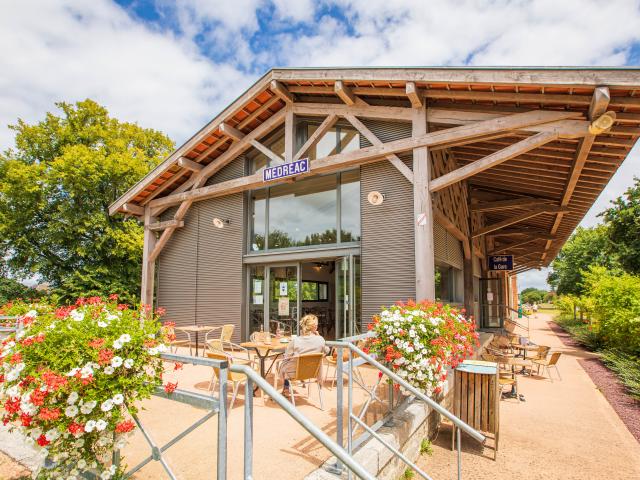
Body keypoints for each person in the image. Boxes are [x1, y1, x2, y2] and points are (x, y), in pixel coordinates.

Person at [279, 314, 328, 396]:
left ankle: (286, 388)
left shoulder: (295, 341)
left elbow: (287, 357)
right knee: (289, 363)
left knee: (283, 363)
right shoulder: (320, 340)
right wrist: (319, 336)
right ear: (315, 327)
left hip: (294, 373)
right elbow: (327, 350)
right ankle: (287, 388)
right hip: (313, 372)